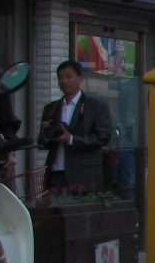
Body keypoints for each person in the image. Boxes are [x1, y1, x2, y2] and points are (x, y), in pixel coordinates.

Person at [37, 60, 115, 192]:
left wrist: (71, 139)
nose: (64, 81)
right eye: (60, 78)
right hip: (56, 173)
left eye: (68, 76)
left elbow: (103, 137)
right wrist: (46, 134)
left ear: (80, 78)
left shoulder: (96, 106)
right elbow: (42, 143)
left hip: (84, 175)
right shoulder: (51, 108)